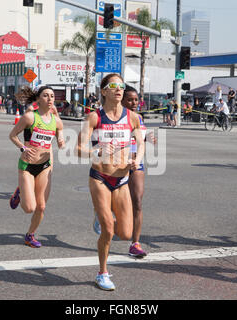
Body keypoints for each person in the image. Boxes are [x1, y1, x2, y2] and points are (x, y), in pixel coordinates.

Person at [76, 73, 144, 291]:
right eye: (113, 86)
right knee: (108, 229)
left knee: (124, 233)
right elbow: (79, 149)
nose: (119, 89)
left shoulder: (132, 117)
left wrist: (137, 159)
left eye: (121, 86)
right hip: (100, 178)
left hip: (122, 179)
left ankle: (100, 214)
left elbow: (141, 143)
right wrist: (96, 151)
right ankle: (102, 273)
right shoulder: (94, 118)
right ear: (104, 91)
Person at [8, 86, 65, 248]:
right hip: (27, 165)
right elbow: (12, 135)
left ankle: (30, 235)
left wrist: (61, 140)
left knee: (41, 206)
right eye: (46, 95)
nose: (50, 99)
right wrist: (22, 148)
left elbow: (59, 132)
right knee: (29, 208)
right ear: (38, 99)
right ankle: (19, 191)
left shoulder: (56, 121)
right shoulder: (29, 117)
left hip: (45, 166)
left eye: (52, 96)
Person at [121, 85, 157, 258]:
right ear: (121, 100)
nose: (134, 103)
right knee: (118, 204)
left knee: (138, 201)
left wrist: (148, 138)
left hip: (137, 163)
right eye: (130, 99)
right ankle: (103, 216)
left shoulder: (140, 118)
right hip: (117, 164)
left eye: (136, 99)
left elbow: (139, 138)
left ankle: (135, 243)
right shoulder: (115, 118)